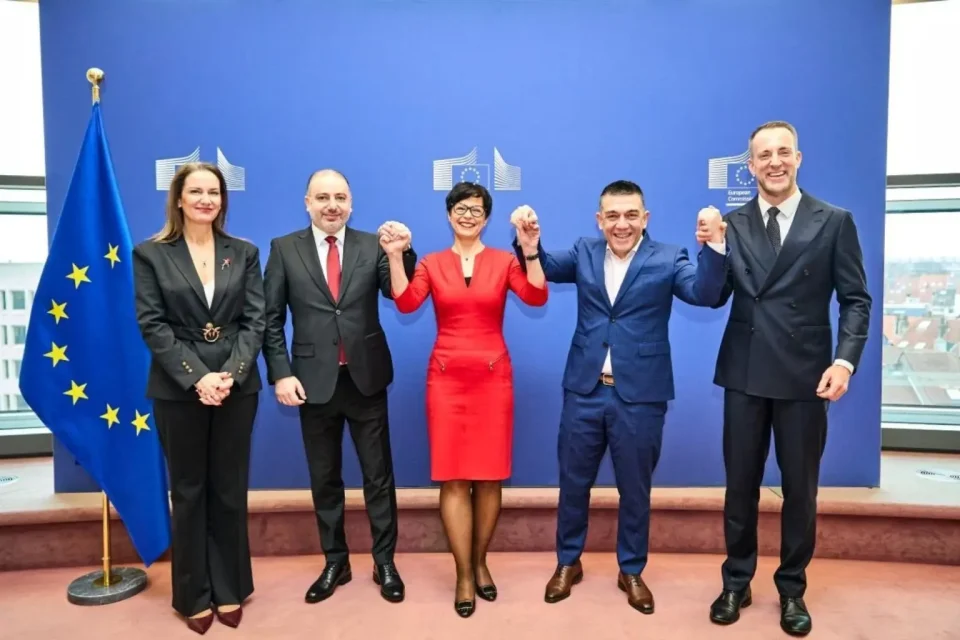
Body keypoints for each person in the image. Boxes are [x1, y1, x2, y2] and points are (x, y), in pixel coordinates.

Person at [511, 180, 728, 614]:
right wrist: (529, 244)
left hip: (641, 396)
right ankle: (567, 562)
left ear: (645, 219)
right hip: (584, 391)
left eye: (631, 215)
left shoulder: (669, 257)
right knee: (573, 484)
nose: (621, 224)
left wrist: (716, 244)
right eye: (612, 215)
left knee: (635, 489)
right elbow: (545, 266)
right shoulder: (584, 252)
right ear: (599, 220)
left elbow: (705, 294)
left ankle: (631, 569)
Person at [703, 121, 870, 637]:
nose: (774, 162)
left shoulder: (835, 221)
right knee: (740, 487)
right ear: (750, 166)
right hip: (745, 372)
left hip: (806, 377)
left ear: (798, 158)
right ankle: (736, 581)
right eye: (764, 155)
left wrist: (844, 362)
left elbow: (856, 301)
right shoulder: (732, 224)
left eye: (783, 152)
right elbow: (712, 296)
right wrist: (712, 248)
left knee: (800, 490)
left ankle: (792, 588)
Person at [381, 181, 548, 618]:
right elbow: (406, 303)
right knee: (454, 479)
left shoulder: (504, 260)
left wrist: (530, 249)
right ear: (448, 214)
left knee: (489, 478)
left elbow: (537, 295)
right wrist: (396, 256)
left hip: (494, 380)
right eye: (460, 208)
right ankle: (463, 574)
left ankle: (480, 561)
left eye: (476, 209)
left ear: (487, 218)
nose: (468, 215)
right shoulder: (432, 263)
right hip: (446, 381)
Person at [262, 169, 417, 605]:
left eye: (340, 197)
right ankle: (336, 561)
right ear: (307, 203)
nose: (332, 205)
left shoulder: (372, 245)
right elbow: (270, 320)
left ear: (351, 203)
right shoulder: (284, 249)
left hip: (366, 379)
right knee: (324, 477)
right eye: (323, 197)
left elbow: (398, 293)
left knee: (378, 477)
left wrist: (403, 252)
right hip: (311, 383)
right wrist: (280, 373)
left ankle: (384, 561)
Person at [132, 162, 265, 634]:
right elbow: (152, 324)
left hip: (236, 386)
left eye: (214, 192)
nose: (206, 199)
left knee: (229, 489)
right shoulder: (151, 254)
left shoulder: (244, 252)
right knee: (188, 493)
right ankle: (192, 594)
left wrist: (229, 374)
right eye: (196, 191)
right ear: (179, 199)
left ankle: (229, 587)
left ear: (223, 200)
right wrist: (197, 378)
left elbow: (255, 321)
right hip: (178, 389)